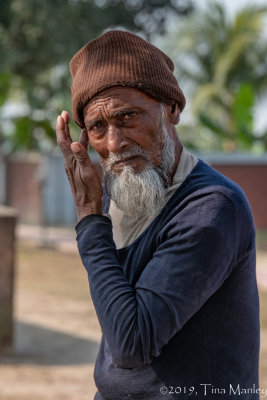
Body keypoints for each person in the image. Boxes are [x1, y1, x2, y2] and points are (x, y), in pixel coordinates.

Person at [56, 30, 260, 400]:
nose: (114, 143)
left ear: (172, 109)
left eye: (128, 116)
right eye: (97, 128)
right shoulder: (118, 199)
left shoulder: (211, 206)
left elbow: (131, 345)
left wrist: (88, 218)